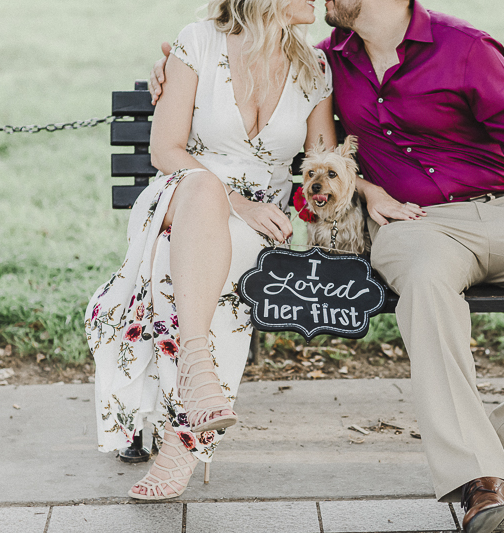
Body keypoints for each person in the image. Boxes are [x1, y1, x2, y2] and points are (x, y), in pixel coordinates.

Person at [151, 0, 504, 530]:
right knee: (427, 286)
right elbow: (249, 70)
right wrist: (172, 67)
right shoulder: (331, 60)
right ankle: (478, 474)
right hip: (414, 224)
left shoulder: (465, 48)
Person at [85, 0, 335, 500]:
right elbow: (166, 151)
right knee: (202, 193)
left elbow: (323, 160)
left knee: (179, 267)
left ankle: (181, 427)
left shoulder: (316, 66)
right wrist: (235, 200)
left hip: (261, 220)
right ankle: (193, 401)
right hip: (184, 196)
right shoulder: (198, 42)